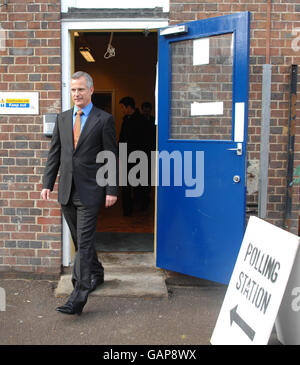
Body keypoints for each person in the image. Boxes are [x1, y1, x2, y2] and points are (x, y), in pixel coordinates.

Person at [41, 71, 118, 315]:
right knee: (79, 239)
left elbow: (111, 157)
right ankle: (97, 272)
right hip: (66, 191)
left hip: (91, 191)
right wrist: (47, 183)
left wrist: (111, 189)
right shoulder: (63, 119)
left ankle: (78, 295)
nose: (77, 94)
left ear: (91, 90)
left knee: (83, 243)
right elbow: (55, 154)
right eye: (73, 90)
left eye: (81, 89)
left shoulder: (103, 119)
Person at [118, 96, 145, 216]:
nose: (122, 110)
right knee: (126, 185)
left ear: (129, 107)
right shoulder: (126, 120)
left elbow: (144, 141)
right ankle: (127, 210)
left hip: (138, 158)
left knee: (139, 185)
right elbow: (122, 140)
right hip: (125, 157)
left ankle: (140, 208)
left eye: (123, 107)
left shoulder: (141, 121)